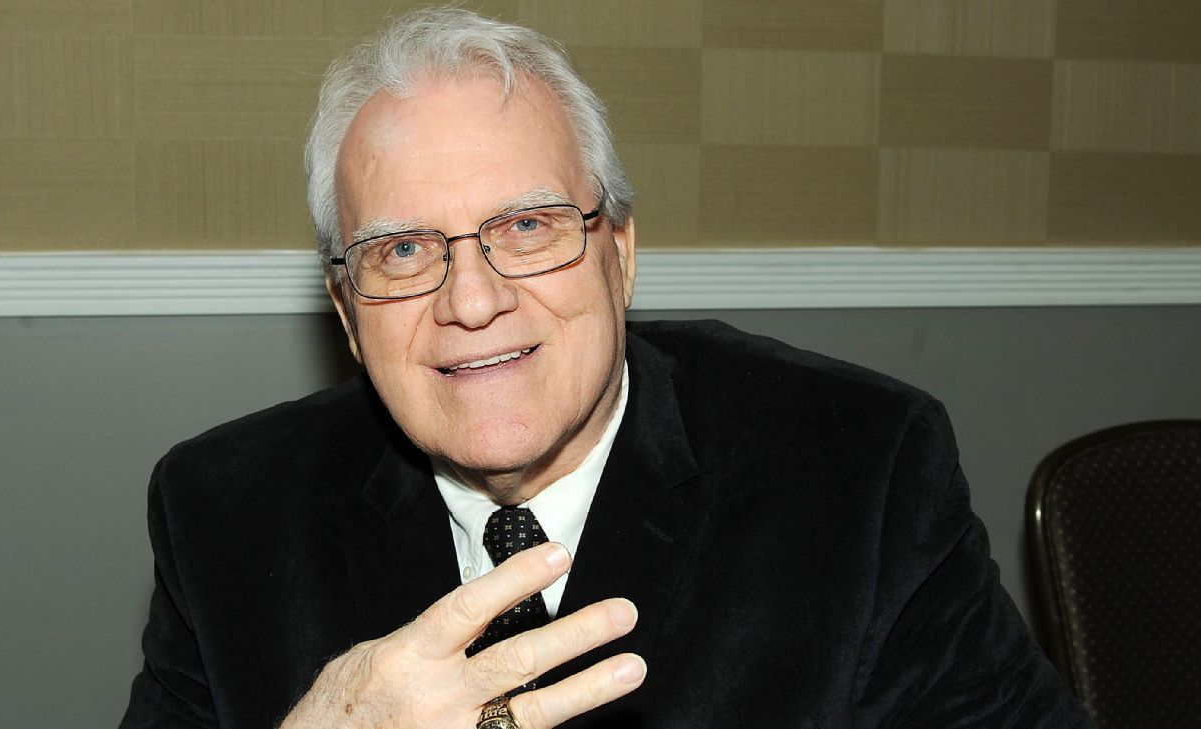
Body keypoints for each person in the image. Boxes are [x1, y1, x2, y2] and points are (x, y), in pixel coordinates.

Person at [121, 9, 1090, 729]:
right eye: (403, 250)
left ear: (618, 254)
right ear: (345, 308)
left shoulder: (857, 469)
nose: (471, 301)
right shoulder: (224, 516)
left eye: (527, 226)